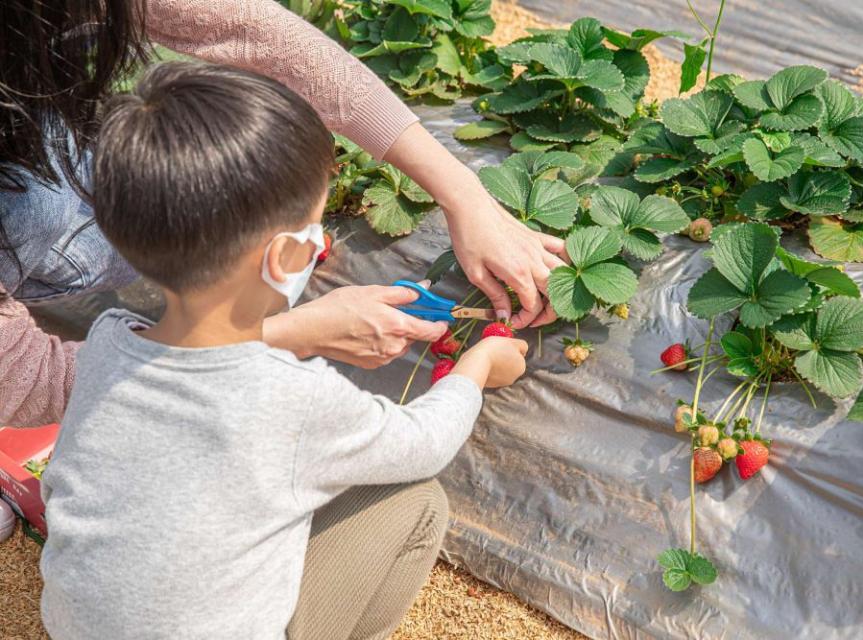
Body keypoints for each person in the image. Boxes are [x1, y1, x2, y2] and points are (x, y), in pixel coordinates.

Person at [40, 61, 529, 639]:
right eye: (317, 224)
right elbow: (424, 444)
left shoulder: (105, 345)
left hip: (73, 626)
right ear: (288, 258)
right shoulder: (294, 398)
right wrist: (476, 366)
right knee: (417, 501)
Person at [0, 0, 564, 427]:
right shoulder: (298, 414)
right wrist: (299, 333)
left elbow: (255, 31)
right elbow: (30, 382)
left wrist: (465, 194)